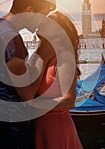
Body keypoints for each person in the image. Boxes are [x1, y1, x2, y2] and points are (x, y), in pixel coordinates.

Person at [0, 0, 56, 149]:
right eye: (42, 15)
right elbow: (26, 93)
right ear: (29, 10)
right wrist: (43, 53)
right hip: (11, 127)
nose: (42, 22)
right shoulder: (11, 38)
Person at [32, 11, 83, 149]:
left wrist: (34, 105)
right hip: (41, 128)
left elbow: (69, 101)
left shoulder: (65, 57)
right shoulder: (44, 55)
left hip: (57, 130)